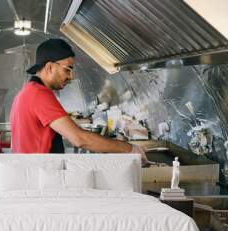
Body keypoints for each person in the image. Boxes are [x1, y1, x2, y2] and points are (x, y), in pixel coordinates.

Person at [10, 39, 148, 164]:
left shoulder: (27, 92)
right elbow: (79, 139)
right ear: (49, 67)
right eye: (67, 69)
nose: (71, 76)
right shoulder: (39, 94)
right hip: (39, 176)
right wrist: (129, 149)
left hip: (32, 173)